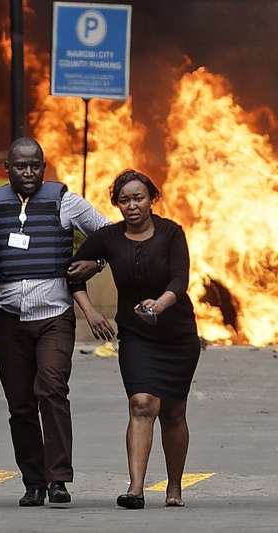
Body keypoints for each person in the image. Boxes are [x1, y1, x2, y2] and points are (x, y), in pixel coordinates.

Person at [0, 137, 109, 506]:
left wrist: (95, 263)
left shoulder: (65, 202)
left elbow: (110, 237)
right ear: (7, 169)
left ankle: (59, 479)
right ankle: (34, 481)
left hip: (54, 318)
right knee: (20, 403)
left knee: (51, 388)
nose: (28, 172)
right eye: (20, 166)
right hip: (10, 320)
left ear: (44, 168)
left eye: (34, 166)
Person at [69, 170, 201, 509]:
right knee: (142, 403)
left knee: (172, 411)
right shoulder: (108, 238)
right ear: (116, 204)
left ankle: (174, 486)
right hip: (136, 334)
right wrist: (91, 312)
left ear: (151, 199)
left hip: (177, 334)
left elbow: (179, 279)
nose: (132, 205)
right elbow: (71, 274)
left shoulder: (172, 233)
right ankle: (136, 488)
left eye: (138, 198)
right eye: (124, 200)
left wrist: (160, 304)